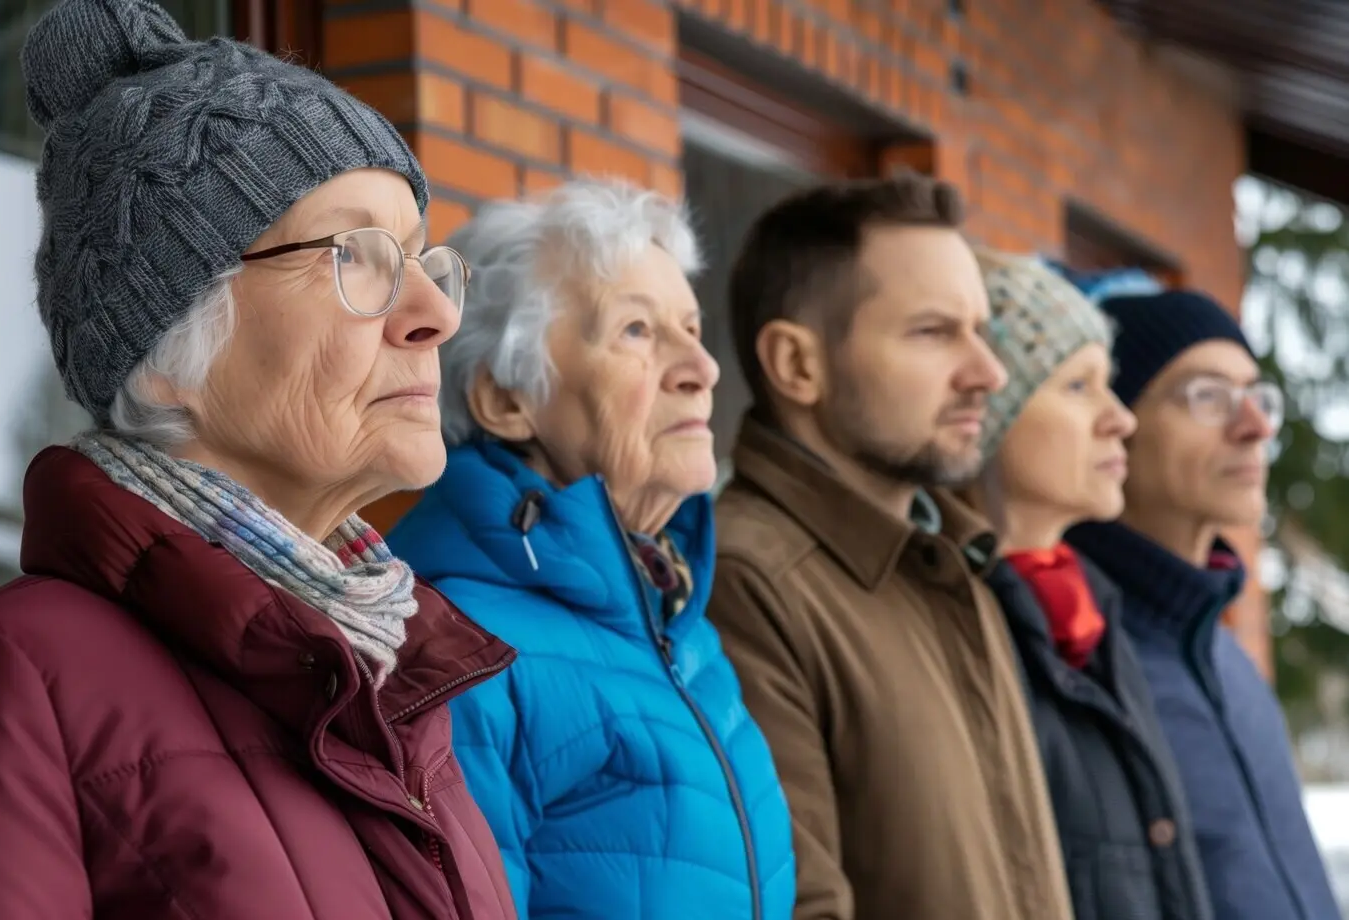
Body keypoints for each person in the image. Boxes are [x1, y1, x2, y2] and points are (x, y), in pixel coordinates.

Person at [0, 1, 517, 917]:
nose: (435, 313)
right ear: (170, 345)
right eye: (357, 256)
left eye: (421, 259)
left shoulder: (392, 666)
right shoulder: (17, 677)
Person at [385, 178, 796, 920]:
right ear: (506, 399)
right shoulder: (461, 652)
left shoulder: (673, 613)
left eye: (692, 328)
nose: (702, 369)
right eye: (636, 331)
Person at [706, 173, 1072, 920]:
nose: (989, 373)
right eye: (933, 332)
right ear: (798, 365)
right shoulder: (748, 582)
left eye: (982, 331)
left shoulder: (954, 565)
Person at [1068, 288, 1341, 920]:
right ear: (1115, 425)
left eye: (1258, 396)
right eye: (1207, 395)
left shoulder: (1227, 656)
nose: (1256, 427)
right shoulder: (1073, 664)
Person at [964, 251, 1213, 920]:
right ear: (988, 409)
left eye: (1110, 384)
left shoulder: (1091, 609)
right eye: (1078, 385)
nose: (1120, 418)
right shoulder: (958, 623)